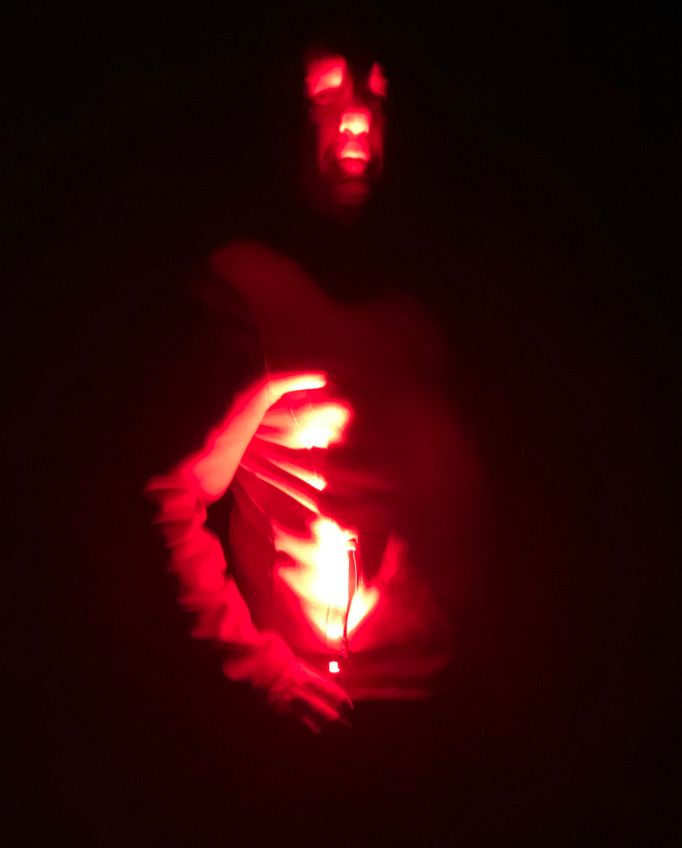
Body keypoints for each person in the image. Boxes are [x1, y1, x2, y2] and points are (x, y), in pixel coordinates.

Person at [144, 44, 484, 733]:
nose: (359, 118)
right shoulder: (246, 294)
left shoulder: (419, 301)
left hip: (450, 701)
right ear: (281, 123)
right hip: (336, 718)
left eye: (376, 95)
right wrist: (260, 671)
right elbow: (171, 497)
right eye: (328, 94)